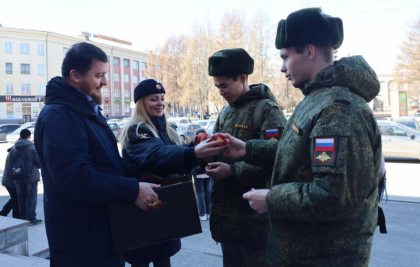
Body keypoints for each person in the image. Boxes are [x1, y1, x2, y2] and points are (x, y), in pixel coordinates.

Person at [223, 8, 382, 267]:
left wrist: (271, 199)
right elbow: (299, 155)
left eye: (285, 57)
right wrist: (247, 149)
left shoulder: (338, 110)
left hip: (321, 256)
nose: (282, 68)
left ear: (309, 51)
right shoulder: (317, 100)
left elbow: (334, 197)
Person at [34, 42, 161, 267]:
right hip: (82, 246)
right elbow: (75, 177)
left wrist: (137, 176)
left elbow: (105, 163)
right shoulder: (60, 116)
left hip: (102, 235)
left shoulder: (85, 110)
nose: (104, 82)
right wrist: (131, 190)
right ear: (75, 75)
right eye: (99, 75)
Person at [121, 79, 225, 267]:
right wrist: (192, 152)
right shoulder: (137, 130)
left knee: (163, 258)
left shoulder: (166, 129)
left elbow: (173, 160)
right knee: (141, 260)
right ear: (141, 104)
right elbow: (157, 156)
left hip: (163, 208)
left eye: (162, 98)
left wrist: (194, 149)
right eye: (153, 99)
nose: (160, 103)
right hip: (142, 209)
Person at [205, 48, 287, 267]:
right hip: (227, 223)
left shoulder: (266, 110)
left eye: (224, 85)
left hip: (255, 225)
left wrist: (232, 171)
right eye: (217, 86)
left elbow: (279, 160)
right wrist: (205, 151)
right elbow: (217, 149)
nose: (220, 91)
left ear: (242, 78)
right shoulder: (225, 112)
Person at [9, 129, 42, 225]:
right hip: (30, 177)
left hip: (18, 177)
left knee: (21, 198)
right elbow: (39, 163)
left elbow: (10, 163)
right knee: (31, 198)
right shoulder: (32, 148)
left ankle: (23, 218)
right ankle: (31, 219)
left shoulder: (14, 148)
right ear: (29, 136)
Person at [1, 146, 21, 219]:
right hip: (11, 181)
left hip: (8, 180)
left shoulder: (12, 151)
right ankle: (16, 216)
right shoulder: (15, 153)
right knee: (16, 198)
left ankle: (4, 212)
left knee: (15, 198)